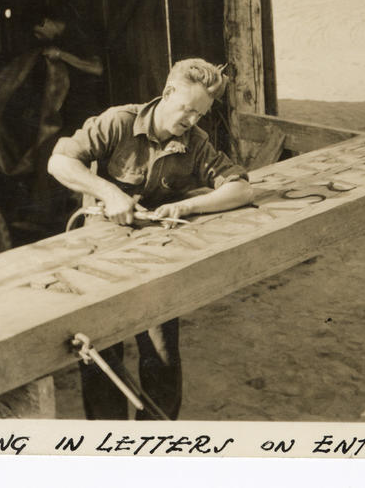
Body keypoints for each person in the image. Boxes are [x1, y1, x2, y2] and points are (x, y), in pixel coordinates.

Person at [47, 58, 253, 420]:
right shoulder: (119, 122)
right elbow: (59, 161)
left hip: (153, 263)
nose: (190, 120)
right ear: (167, 93)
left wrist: (189, 207)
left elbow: (240, 189)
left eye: (200, 114)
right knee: (101, 359)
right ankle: (109, 450)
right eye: (186, 109)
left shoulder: (195, 142)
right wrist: (108, 193)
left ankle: (155, 447)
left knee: (162, 359)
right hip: (99, 260)